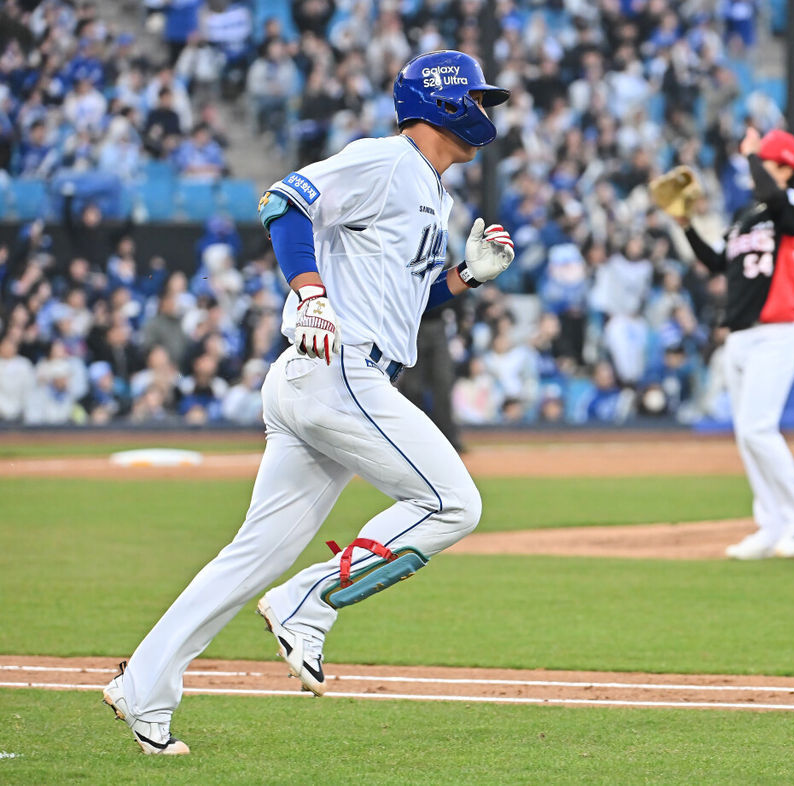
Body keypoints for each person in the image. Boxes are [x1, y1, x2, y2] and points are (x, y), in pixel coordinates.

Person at [102, 50, 514, 755]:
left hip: (324, 377)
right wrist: (312, 294)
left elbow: (404, 301)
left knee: (250, 558)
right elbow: (282, 202)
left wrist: (464, 279)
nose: (485, 108)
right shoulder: (387, 160)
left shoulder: (429, 189)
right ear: (443, 102)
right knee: (453, 504)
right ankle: (308, 603)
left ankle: (143, 687)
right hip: (340, 370)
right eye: (477, 96)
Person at [672, 127, 794, 559]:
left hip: (776, 333)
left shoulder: (793, 204)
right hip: (739, 336)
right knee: (746, 435)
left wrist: (753, 154)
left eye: (766, 163)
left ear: (785, 168)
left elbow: (775, 198)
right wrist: (686, 226)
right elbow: (718, 262)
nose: (756, 170)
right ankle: (770, 524)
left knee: (758, 429)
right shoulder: (745, 215)